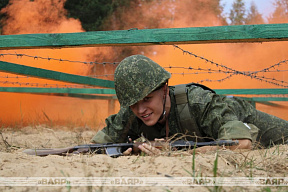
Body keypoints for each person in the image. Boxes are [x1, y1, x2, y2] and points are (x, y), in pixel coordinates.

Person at [91, 55, 288, 155]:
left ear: (164, 90)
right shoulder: (131, 111)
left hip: (238, 117)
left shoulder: (198, 102)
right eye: (133, 104)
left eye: (147, 99)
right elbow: (95, 146)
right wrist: (131, 148)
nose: (140, 110)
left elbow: (241, 142)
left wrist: (173, 151)